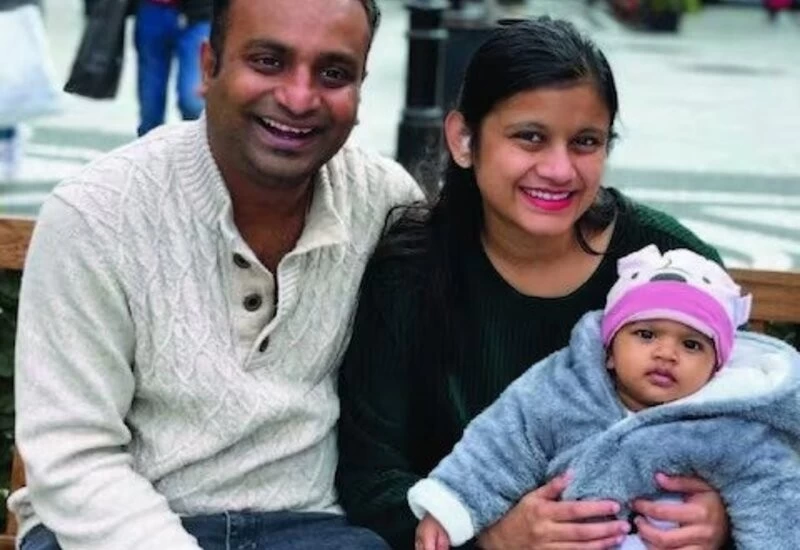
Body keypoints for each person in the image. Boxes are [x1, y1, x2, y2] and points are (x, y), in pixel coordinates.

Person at [11, 0, 423, 548]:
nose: (299, 98)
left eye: (333, 73)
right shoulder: (97, 212)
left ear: (361, 88)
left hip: (311, 529)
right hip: (103, 530)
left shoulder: (384, 203)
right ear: (208, 67)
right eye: (269, 61)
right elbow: (74, 458)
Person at [336, 17, 739, 550]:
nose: (559, 169)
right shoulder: (410, 272)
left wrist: (723, 517)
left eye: (585, 142)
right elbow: (369, 474)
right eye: (530, 137)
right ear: (463, 139)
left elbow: (754, 425)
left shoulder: (671, 266)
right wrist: (492, 536)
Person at [408, 245, 800, 550]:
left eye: (692, 344)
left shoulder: (728, 426)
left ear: (715, 368)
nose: (667, 353)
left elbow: (771, 496)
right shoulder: (564, 390)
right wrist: (451, 506)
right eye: (646, 334)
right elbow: (499, 445)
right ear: (609, 351)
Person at [134, 0, 213, 136]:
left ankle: (195, 144)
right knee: (150, 111)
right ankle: (152, 147)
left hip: (200, 13)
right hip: (153, 9)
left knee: (193, 103)